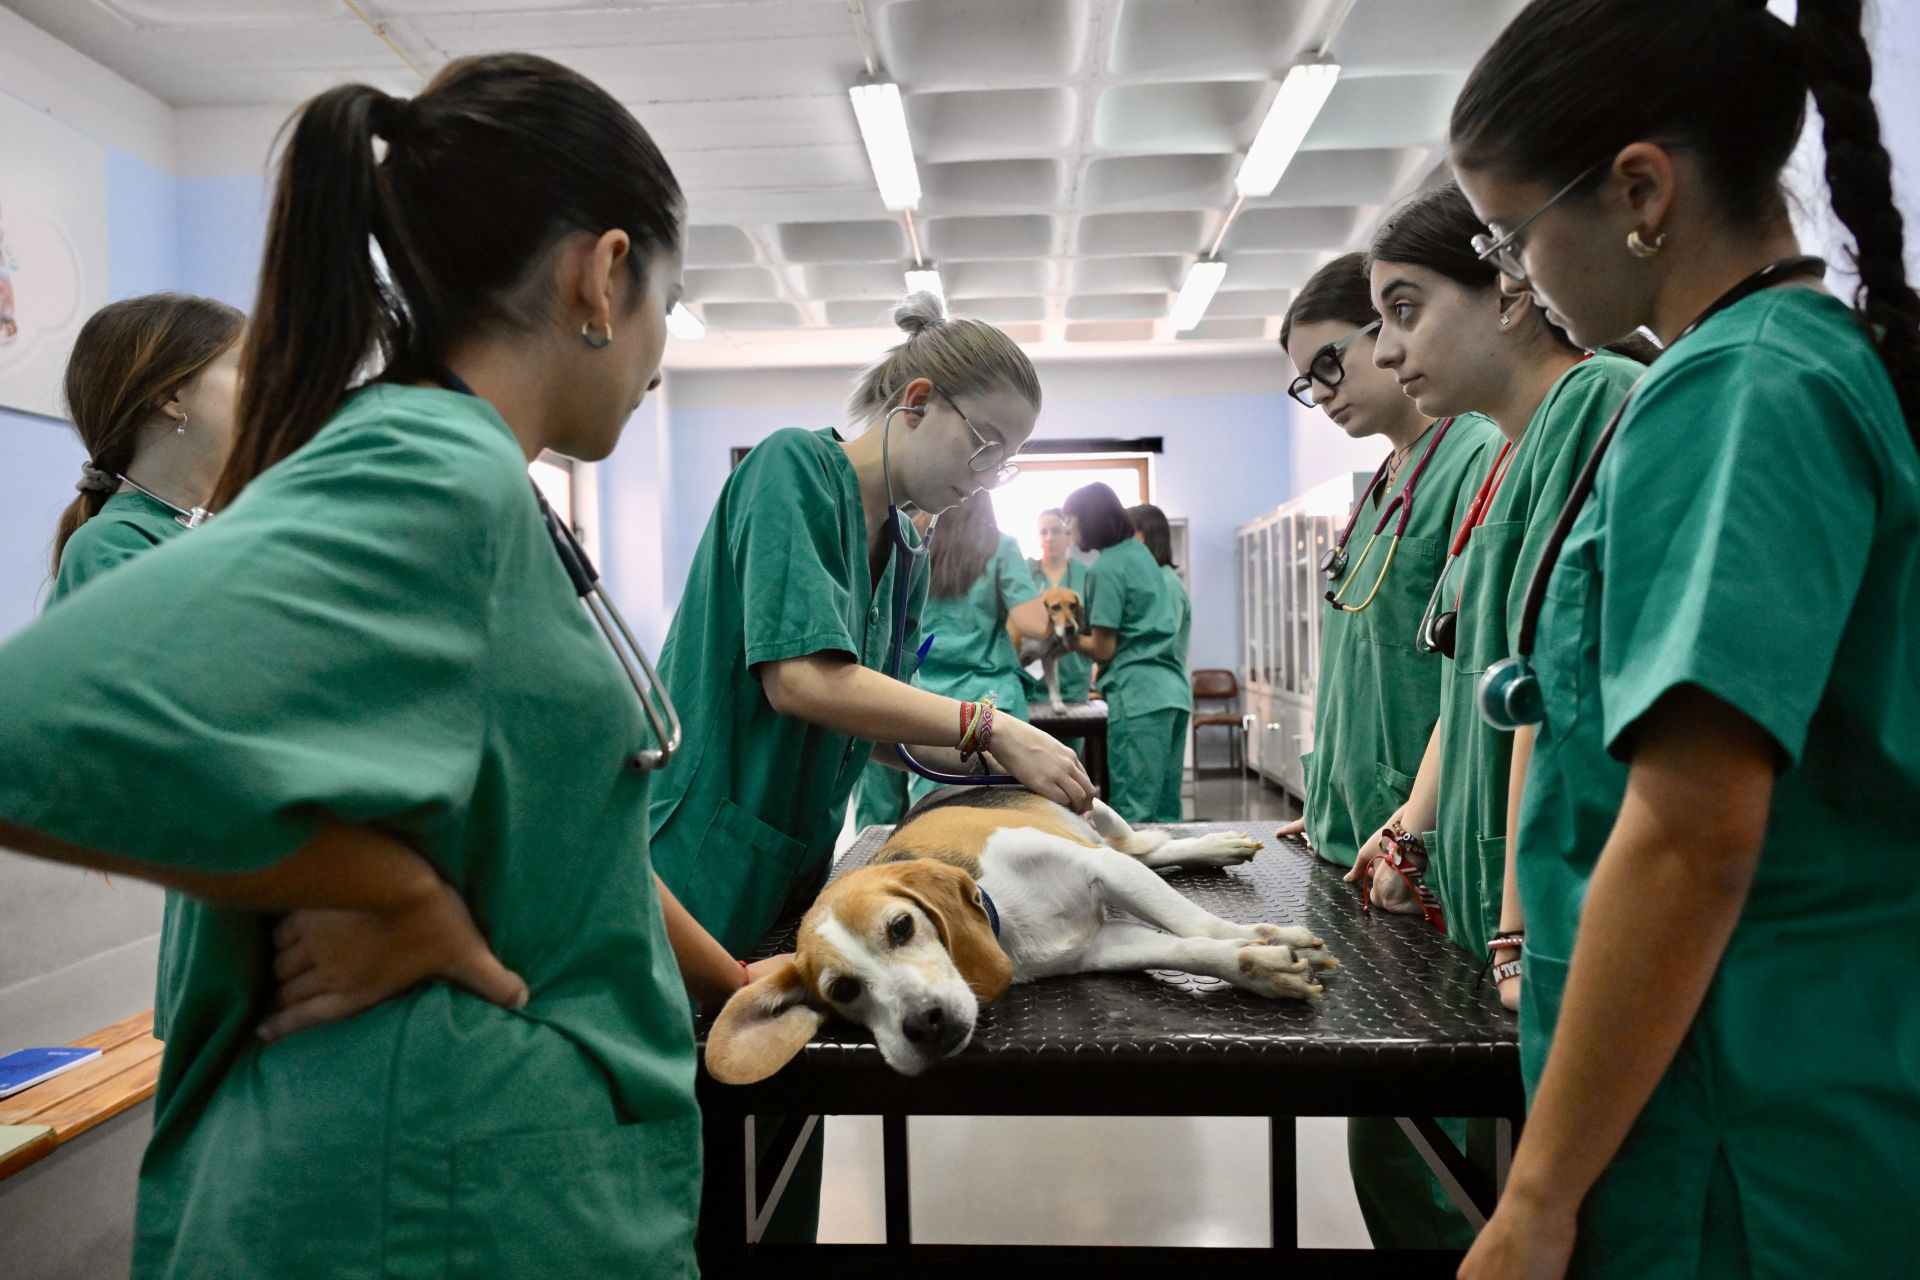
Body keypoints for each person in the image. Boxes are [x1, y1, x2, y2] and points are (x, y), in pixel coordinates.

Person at [0, 54, 720, 1275]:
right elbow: (30, 731)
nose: (657, 354)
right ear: (602, 276)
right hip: (426, 1196)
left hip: (484, 1172)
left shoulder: (480, 483)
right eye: (667, 297)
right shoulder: (425, 471)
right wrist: (392, 895)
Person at [1447, 2, 1920, 1276]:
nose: (1514, 278)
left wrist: (1536, 1193)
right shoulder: (1778, 365)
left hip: (1739, 1119)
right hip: (1752, 1078)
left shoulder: (1737, 392)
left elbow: (1695, 830)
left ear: (1639, 189)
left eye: (1511, 235)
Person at [647, 291, 1093, 1239]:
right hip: (698, 856)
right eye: (985, 447)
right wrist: (986, 723)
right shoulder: (790, 472)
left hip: (793, 868)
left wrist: (1001, 771)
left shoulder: (903, 548)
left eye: (1007, 463)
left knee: (784, 1119)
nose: (989, 478)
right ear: (917, 400)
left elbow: (869, 718)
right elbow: (804, 681)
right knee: (690, 1149)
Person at [1354, 183, 1642, 995]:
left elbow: (1545, 681)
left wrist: (1524, 928)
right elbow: (1474, 677)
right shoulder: (1508, 453)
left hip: (1551, 909)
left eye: (1405, 311)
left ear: (1510, 291)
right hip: (1487, 889)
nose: (1382, 352)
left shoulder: (1591, 400)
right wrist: (1412, 830)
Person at [1271, 253, 1505, 1251]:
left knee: (1431, 1147)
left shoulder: (1478, 454)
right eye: (1304, 381)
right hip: (1359, 845)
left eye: (1331, 363)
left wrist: (1410, 821)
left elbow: (1481, 658)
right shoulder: (1385, 479)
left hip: (1429, 859)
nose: (1322, 394)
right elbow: (1365, 654)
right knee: (1385, 1133)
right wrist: (1324, 795)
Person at [47, 292, 245, 1045]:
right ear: (172, 397)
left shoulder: (215, 539)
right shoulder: (113, 549)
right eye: (245, 369)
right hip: (236, 918)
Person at [905, 489, 1047, 804]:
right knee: (1005, 808)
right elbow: (1034, 624)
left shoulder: (912, 537)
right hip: (991, 699)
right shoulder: (1000, 546)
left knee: (935, 811)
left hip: (926, 700)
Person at [1063, 482, 1188, 822]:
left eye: (1069, 520)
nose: (1067, 529)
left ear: (1086, 519)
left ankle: (1139, 877)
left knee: (1134, 810)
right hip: (1172, 692)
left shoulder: (1105, 568)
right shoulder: (1140, 555)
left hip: (1138, 697)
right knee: (1165, 808)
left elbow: (1103, 649)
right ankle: (1175, 877)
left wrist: (1066, 638)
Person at [1023, 506, 1095, 710]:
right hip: (1029, 684)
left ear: (1068, 534)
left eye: (1056, 530)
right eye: (1043, 532)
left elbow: (1095, 625)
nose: (1049, 537)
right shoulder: (1024, 573)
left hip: (1074, 683)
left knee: (1069, 742)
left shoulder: (1087, 575)